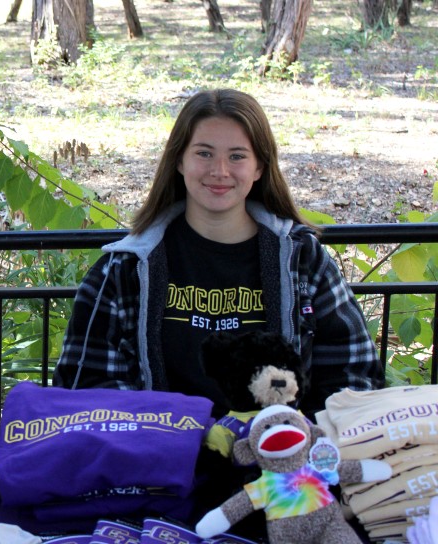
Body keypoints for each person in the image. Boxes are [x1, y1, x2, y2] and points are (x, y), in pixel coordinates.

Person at [52, 89, 383, 417]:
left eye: (237, 156)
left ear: (259, 167)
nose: (220, 170)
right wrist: (176, 438)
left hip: (281, 460)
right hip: (160, 462)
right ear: (179, 160)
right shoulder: (125, 268)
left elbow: (355, 378)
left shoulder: (303, 260)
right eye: (204, 153)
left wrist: (296, 439)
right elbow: (84, 386)